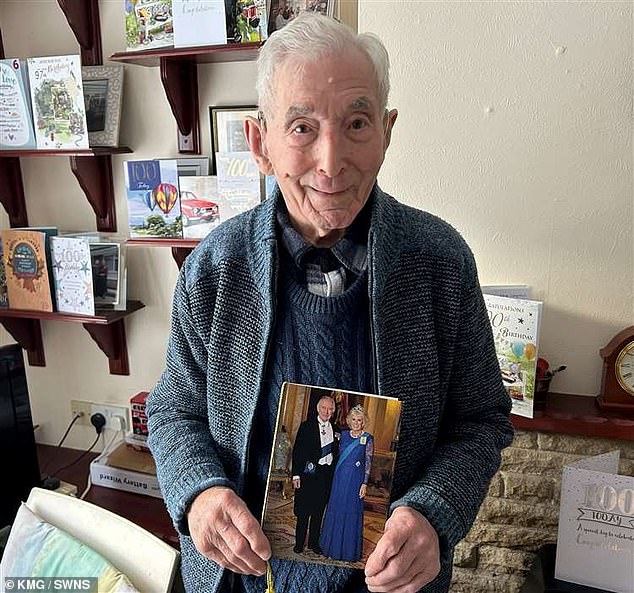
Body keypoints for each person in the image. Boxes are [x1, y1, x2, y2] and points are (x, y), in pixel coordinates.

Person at [146, 12, 513, 593]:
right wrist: (198, 494)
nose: (330, 160)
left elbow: (481, 419)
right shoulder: (215, 268)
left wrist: (435, 512)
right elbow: (174, 413)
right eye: (301, 127)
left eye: (357, 122)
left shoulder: (441, 261)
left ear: (387, 132)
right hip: (243, 582)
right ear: (259, 141)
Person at [319, 405, 374, 563]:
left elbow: (369, 463)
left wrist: (365, 483)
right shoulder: (342, 435)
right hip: (339, 478)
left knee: (351, 510)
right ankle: (330, 546)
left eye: (360, 420)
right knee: (336, 507)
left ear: (364, 422)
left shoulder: (368, 439)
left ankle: (348, 551)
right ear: (350, 420)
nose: (356, 422)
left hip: (356, 481)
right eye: (354, 419)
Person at [290, 395, 337, 555]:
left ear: (333, 411)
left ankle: (313, 544)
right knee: (303, 511)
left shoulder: (336, 430)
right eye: (324, 408)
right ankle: (299, 543)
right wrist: (296, 474)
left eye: (330, 409)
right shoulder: (306, 426)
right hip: (308, 474)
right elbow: (297, 451)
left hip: (325, 476)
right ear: (318, 409)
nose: (327, 411)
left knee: (318, 512)